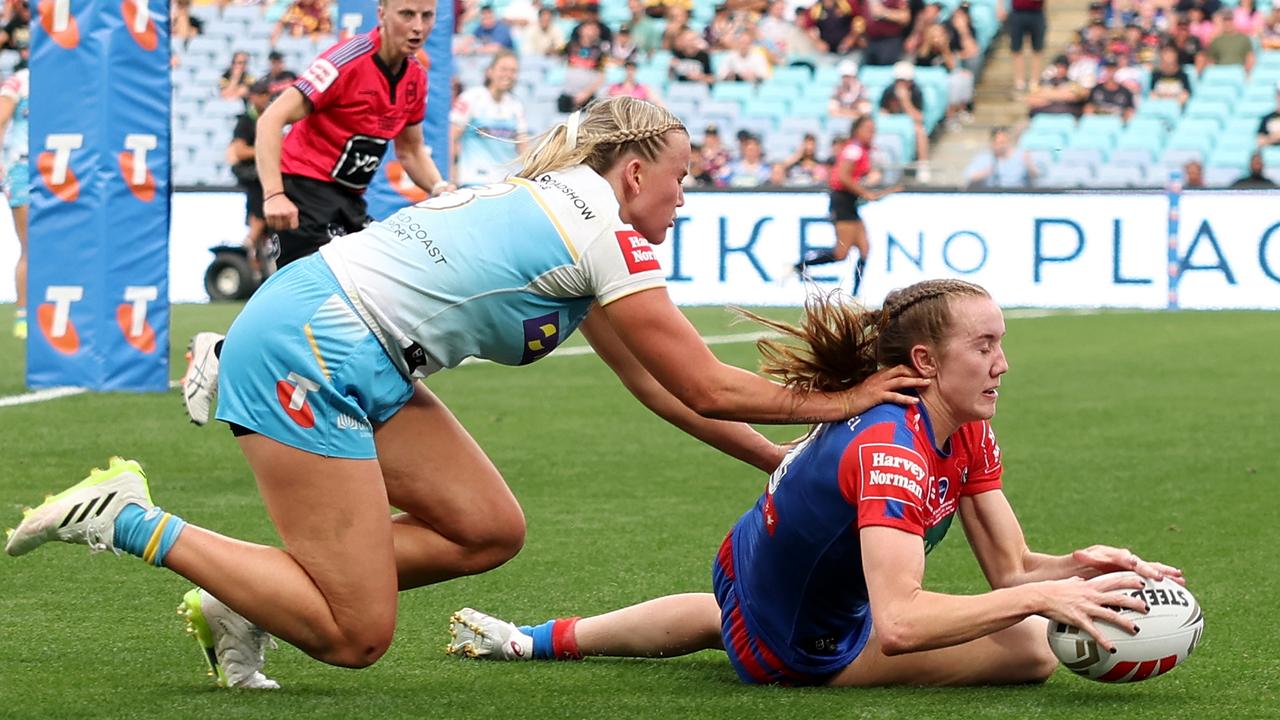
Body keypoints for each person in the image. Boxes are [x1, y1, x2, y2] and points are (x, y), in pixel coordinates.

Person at [5, 97, 927, 690]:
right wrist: (844, 408)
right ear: (635, 170)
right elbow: (703, 381)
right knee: (356, 635)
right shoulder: (608, 233)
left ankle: (244, 599)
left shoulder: (572, 213)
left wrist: (776, 461)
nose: (685, 197)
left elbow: (662, 392)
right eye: (682, 178)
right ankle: (127, 518)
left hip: (347, 343)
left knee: (488, 529)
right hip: (312, 351)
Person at [446, 280, 1182, 688]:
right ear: (925, 362)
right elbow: (900, 626)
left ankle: (535, 641)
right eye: (984, 346)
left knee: (1021, 618)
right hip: (798, 644)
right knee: (1028, 649)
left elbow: (1014, 569)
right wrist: (1039, 599)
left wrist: (1079, 570)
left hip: (745, 569)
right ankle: (561, 641)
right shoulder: (892, 449)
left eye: (1002, 345)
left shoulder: (963, 429)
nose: (1002, 364)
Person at [181, 0, 452, 427]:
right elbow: (272, 118)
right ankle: (220, 355)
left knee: (371, 289)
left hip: (348, 200)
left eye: (427, 16)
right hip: (303, 191)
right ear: (381, 12)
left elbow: (411, 149)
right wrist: (274, 195)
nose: (417, 26)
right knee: (308, 302)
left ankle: (332, 390)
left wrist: (439, 186)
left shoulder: (415, 78)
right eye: (406, 14)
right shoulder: (346, 62)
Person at [794, 116, 899, 295]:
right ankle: (799, 266)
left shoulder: (860, 150)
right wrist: (864, 192)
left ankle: (855, 295)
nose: (872, 133)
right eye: (868, 129)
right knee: (841, 254)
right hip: (842, 201)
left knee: (865, 249)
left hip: (849, 201)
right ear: (857, 130)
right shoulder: (854, 149)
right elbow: (843, 177)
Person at [451, 50, 528, 186]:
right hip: (473, 180)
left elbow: (523, 146)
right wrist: (451, 176)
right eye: (503, 69)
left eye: (513, 71)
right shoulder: (471, 97)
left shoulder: (516, 105)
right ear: (490, 71)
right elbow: (451, 137)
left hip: (505, 184)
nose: (508, 75)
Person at [228, 80, 274, 279]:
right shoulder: (247, 120)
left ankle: (252, 255)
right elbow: (239, 151)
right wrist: (266, 150)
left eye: (266, 93)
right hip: (254, 178)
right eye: (260, 94)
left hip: (263, 176)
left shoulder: (270, 117)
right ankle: (246, 247)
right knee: (260, 216)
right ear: (253, 96)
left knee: (262, 220)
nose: (264, 97)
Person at [0, 63, 27, 339]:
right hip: (24, 168)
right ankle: (24, 314)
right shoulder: (21, 80)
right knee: (30, 246)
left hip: (60, 170)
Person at [878, 61, 929, 182]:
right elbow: (882, 111)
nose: (901, 84)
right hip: (892, 124)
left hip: (909, 124)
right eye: (899, 80)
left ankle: (923, 165)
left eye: (904, 80)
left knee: (920, 131)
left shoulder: (917, 92)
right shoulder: (889, 90)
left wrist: (905, 101)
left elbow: (919, 118)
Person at [963, 126, 1038, 188]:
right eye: (997, 143)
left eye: (1003, 142)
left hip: (1018, 194)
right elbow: (969, 176)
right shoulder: (984, 158)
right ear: (992, 143)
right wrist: (986, 172)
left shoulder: (1022, 155)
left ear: (1009, 141)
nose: (1000, 146)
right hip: (992, 195)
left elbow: (1036, 176)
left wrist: (1029, 165)